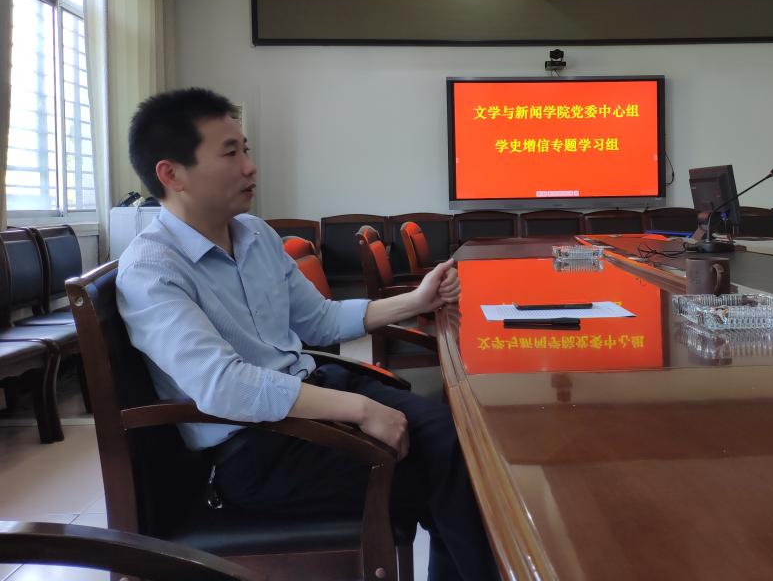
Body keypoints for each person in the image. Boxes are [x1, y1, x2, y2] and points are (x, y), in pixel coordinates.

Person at [116, 87, 497, 581]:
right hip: (255, 449)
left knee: (462, 439)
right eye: (230, 154)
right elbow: (224, 386)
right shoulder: (151, 267)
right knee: (454, 474)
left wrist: (417, 302)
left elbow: (320, 320)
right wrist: (362, 410)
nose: (250, 166)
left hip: (312, 399)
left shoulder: (255, 234)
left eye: (246, 149)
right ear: (172, 175)